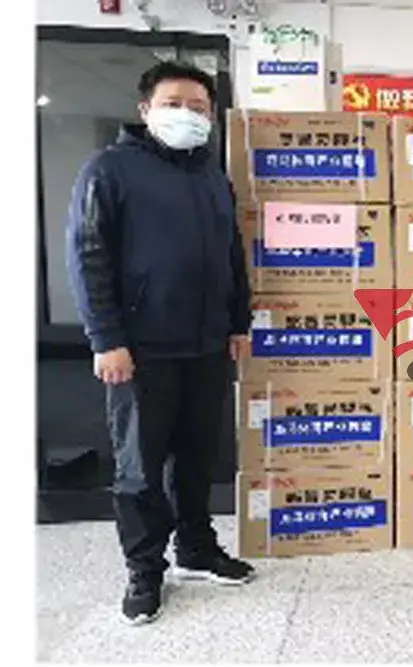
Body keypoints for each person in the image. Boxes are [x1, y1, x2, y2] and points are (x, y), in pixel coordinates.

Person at [66, 61, 255, 625]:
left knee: (198, 456)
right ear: (145, 109)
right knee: (140, 467)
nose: (187, 116)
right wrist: (106, 338)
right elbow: (88, 256)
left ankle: (196, 547)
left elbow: (231, 255)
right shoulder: (110, 170)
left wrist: (238, 322)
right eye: (174, 104)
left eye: (199, 108)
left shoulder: (211, 176)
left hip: (206, 343)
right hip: (141, 347)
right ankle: (144, 569)